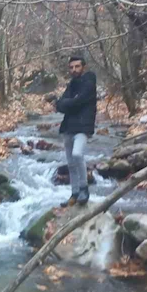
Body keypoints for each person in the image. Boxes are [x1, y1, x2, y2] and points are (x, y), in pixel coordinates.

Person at [56, 56, 97, 207]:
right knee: (71, 163)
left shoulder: (89, 80)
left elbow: (78, 101)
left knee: (77, 154)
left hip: (83, 127)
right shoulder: (71, 85)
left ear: (83, 67)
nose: (74, 70)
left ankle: (84, 189)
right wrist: (68, 103)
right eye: (71, 67)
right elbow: (59, 106)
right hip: (68, 128)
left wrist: (68, 103)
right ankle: (74, 193)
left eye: (77, 66)